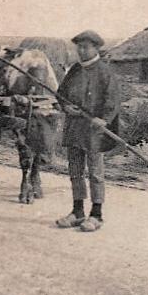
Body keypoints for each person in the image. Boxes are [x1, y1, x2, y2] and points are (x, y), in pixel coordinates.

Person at [55, 30, 121, 232]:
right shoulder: (74, 70)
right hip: (75, 127)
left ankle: (96, 214)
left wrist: (104, 119)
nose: (82, 51)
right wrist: (66, 107)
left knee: (95, 172)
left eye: (86, 47)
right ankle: (77, 211)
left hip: (94, 130)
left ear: (96, 48)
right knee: (75, 170)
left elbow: (113, 99)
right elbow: (61, 94)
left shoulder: (104, 71)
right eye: (79, 47)